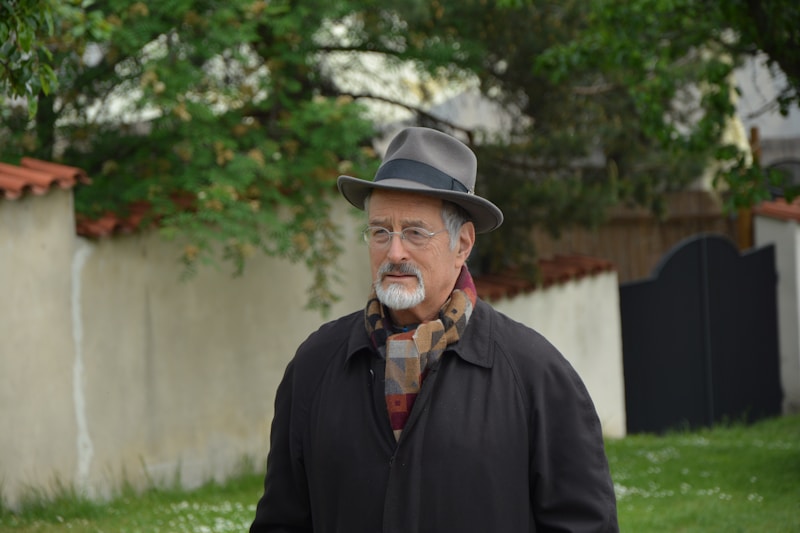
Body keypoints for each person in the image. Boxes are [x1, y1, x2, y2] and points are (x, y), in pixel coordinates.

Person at [250, 127, 619, 532]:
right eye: (379, 232)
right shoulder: (316, 365)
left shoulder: (536, 375)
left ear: (462, 244)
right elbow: (281, 522)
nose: (394, 252)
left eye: (414, 232)